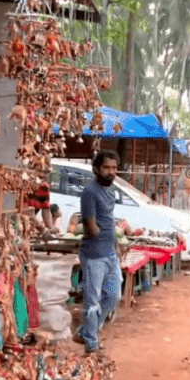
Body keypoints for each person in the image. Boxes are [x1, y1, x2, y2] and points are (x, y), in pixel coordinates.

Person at [75, 150, 123, 353]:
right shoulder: (90, 192)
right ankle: (91, 343)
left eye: (113, 168)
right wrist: (99, 233)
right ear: (96, 169)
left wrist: (115, 242)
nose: (111, 172)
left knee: (113, 295)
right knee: (92, 301)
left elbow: (109, 219)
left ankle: (87, 331)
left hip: (110, 252)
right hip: (93, 254)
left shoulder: (111, 190)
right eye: (106, 168)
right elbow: (91, 225)